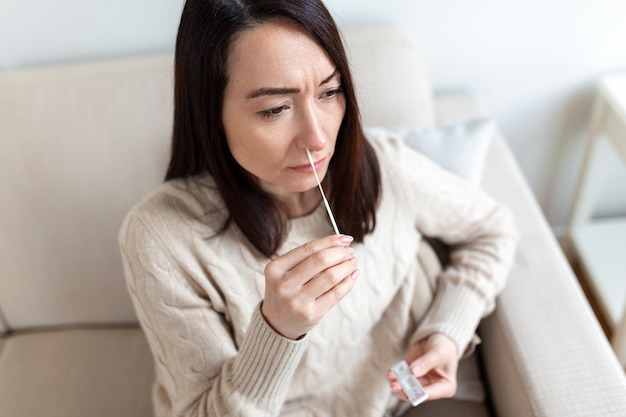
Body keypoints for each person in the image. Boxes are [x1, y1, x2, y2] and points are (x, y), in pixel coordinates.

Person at [118, 0, 518, 416]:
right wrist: (277, 330)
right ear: (209, 113)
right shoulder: (161, 236)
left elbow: (493, 230)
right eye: (275, 109)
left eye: (329, 92)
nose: (317, 137)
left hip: (400, 401)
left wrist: (446, 332)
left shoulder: (386, 166)